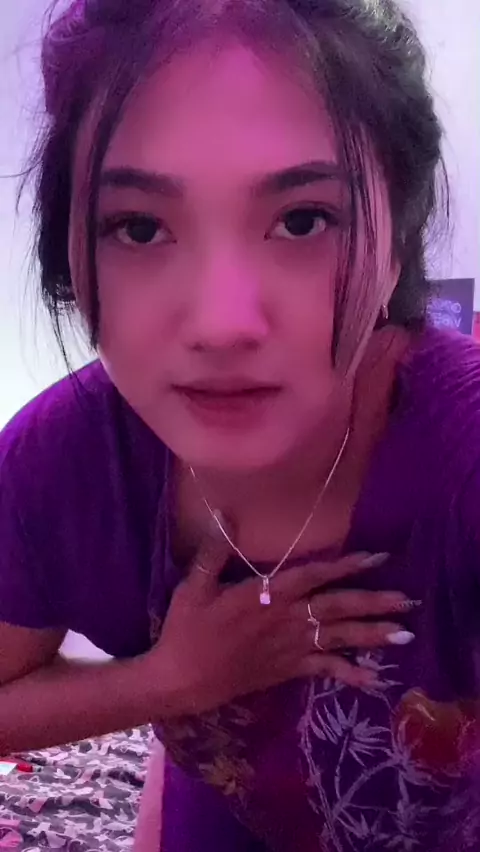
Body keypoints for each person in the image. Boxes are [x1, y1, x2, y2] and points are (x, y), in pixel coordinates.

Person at [1, 0, 480, 848]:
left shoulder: (463, 459)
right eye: (139, 227)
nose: (223, 324)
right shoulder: (63, 463)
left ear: (398, 238)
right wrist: (172, 682)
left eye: (303, 220)